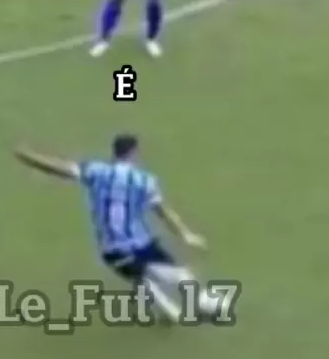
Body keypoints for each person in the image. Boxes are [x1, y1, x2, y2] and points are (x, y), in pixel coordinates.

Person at [14, 134, 209, 322]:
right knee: (180, 276)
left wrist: (28, 157)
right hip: (140, 244)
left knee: (146, 278)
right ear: (135, 152)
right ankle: (201, 304)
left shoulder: (96, 171)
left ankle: (169, 310)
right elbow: (163, 212)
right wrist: (185, 234)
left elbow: (58, 168)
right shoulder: (145, 180)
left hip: (113, 252)